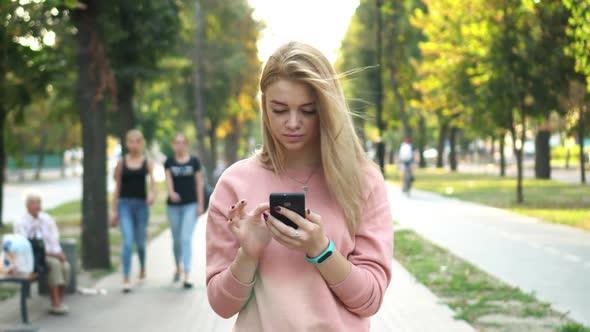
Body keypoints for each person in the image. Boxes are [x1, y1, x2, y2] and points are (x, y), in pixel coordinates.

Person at [206, 41, 393, 331]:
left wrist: (321, 249)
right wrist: (249, 254)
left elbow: (369, 301)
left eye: (308, 110)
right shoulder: (234, 184)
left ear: (327, 108)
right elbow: (222, 305)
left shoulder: (363, 181)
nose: (293, 123)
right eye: (279, 110)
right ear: (264, 106)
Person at [111, 129, 157, 293]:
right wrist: (113, 210)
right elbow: (116, 188)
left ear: (142, 143)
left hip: (141, 206)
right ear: (126, 143)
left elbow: (153, 185)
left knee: (140, 244)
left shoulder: (147, 162)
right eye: (131, 141)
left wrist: (152, 195)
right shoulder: (121, 163)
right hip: (124, 205)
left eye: (138, 141)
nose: (134, 145)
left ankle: (143, 267)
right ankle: (126, 278)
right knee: (128, 242)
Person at [14, 193, 70, 315]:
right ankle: (55, 303)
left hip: (51, 252)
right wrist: (54, 254)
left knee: (65, 266)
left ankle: (59, 299)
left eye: (38, 203)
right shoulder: (21, 222)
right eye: (33, 203)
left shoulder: (46, 219)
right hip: (33, 258)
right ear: (27, 206)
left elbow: (54, 239)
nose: (37, 206)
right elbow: (26, 247)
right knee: (54, 265)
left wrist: (59, 252)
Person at [164, 133, 204, 288]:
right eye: (177, 143)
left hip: (190, 205)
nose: (179, 145)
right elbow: (168, 179)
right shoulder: (169, 161)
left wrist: (200, 205)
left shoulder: (194, 162)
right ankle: (177, 267)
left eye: (182, 143)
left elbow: (199, 184)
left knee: (185, 238)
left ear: (186, 145)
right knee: (176, 240)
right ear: (173, 145)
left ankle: (187, 273)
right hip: (173, 206)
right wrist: (171, 192)